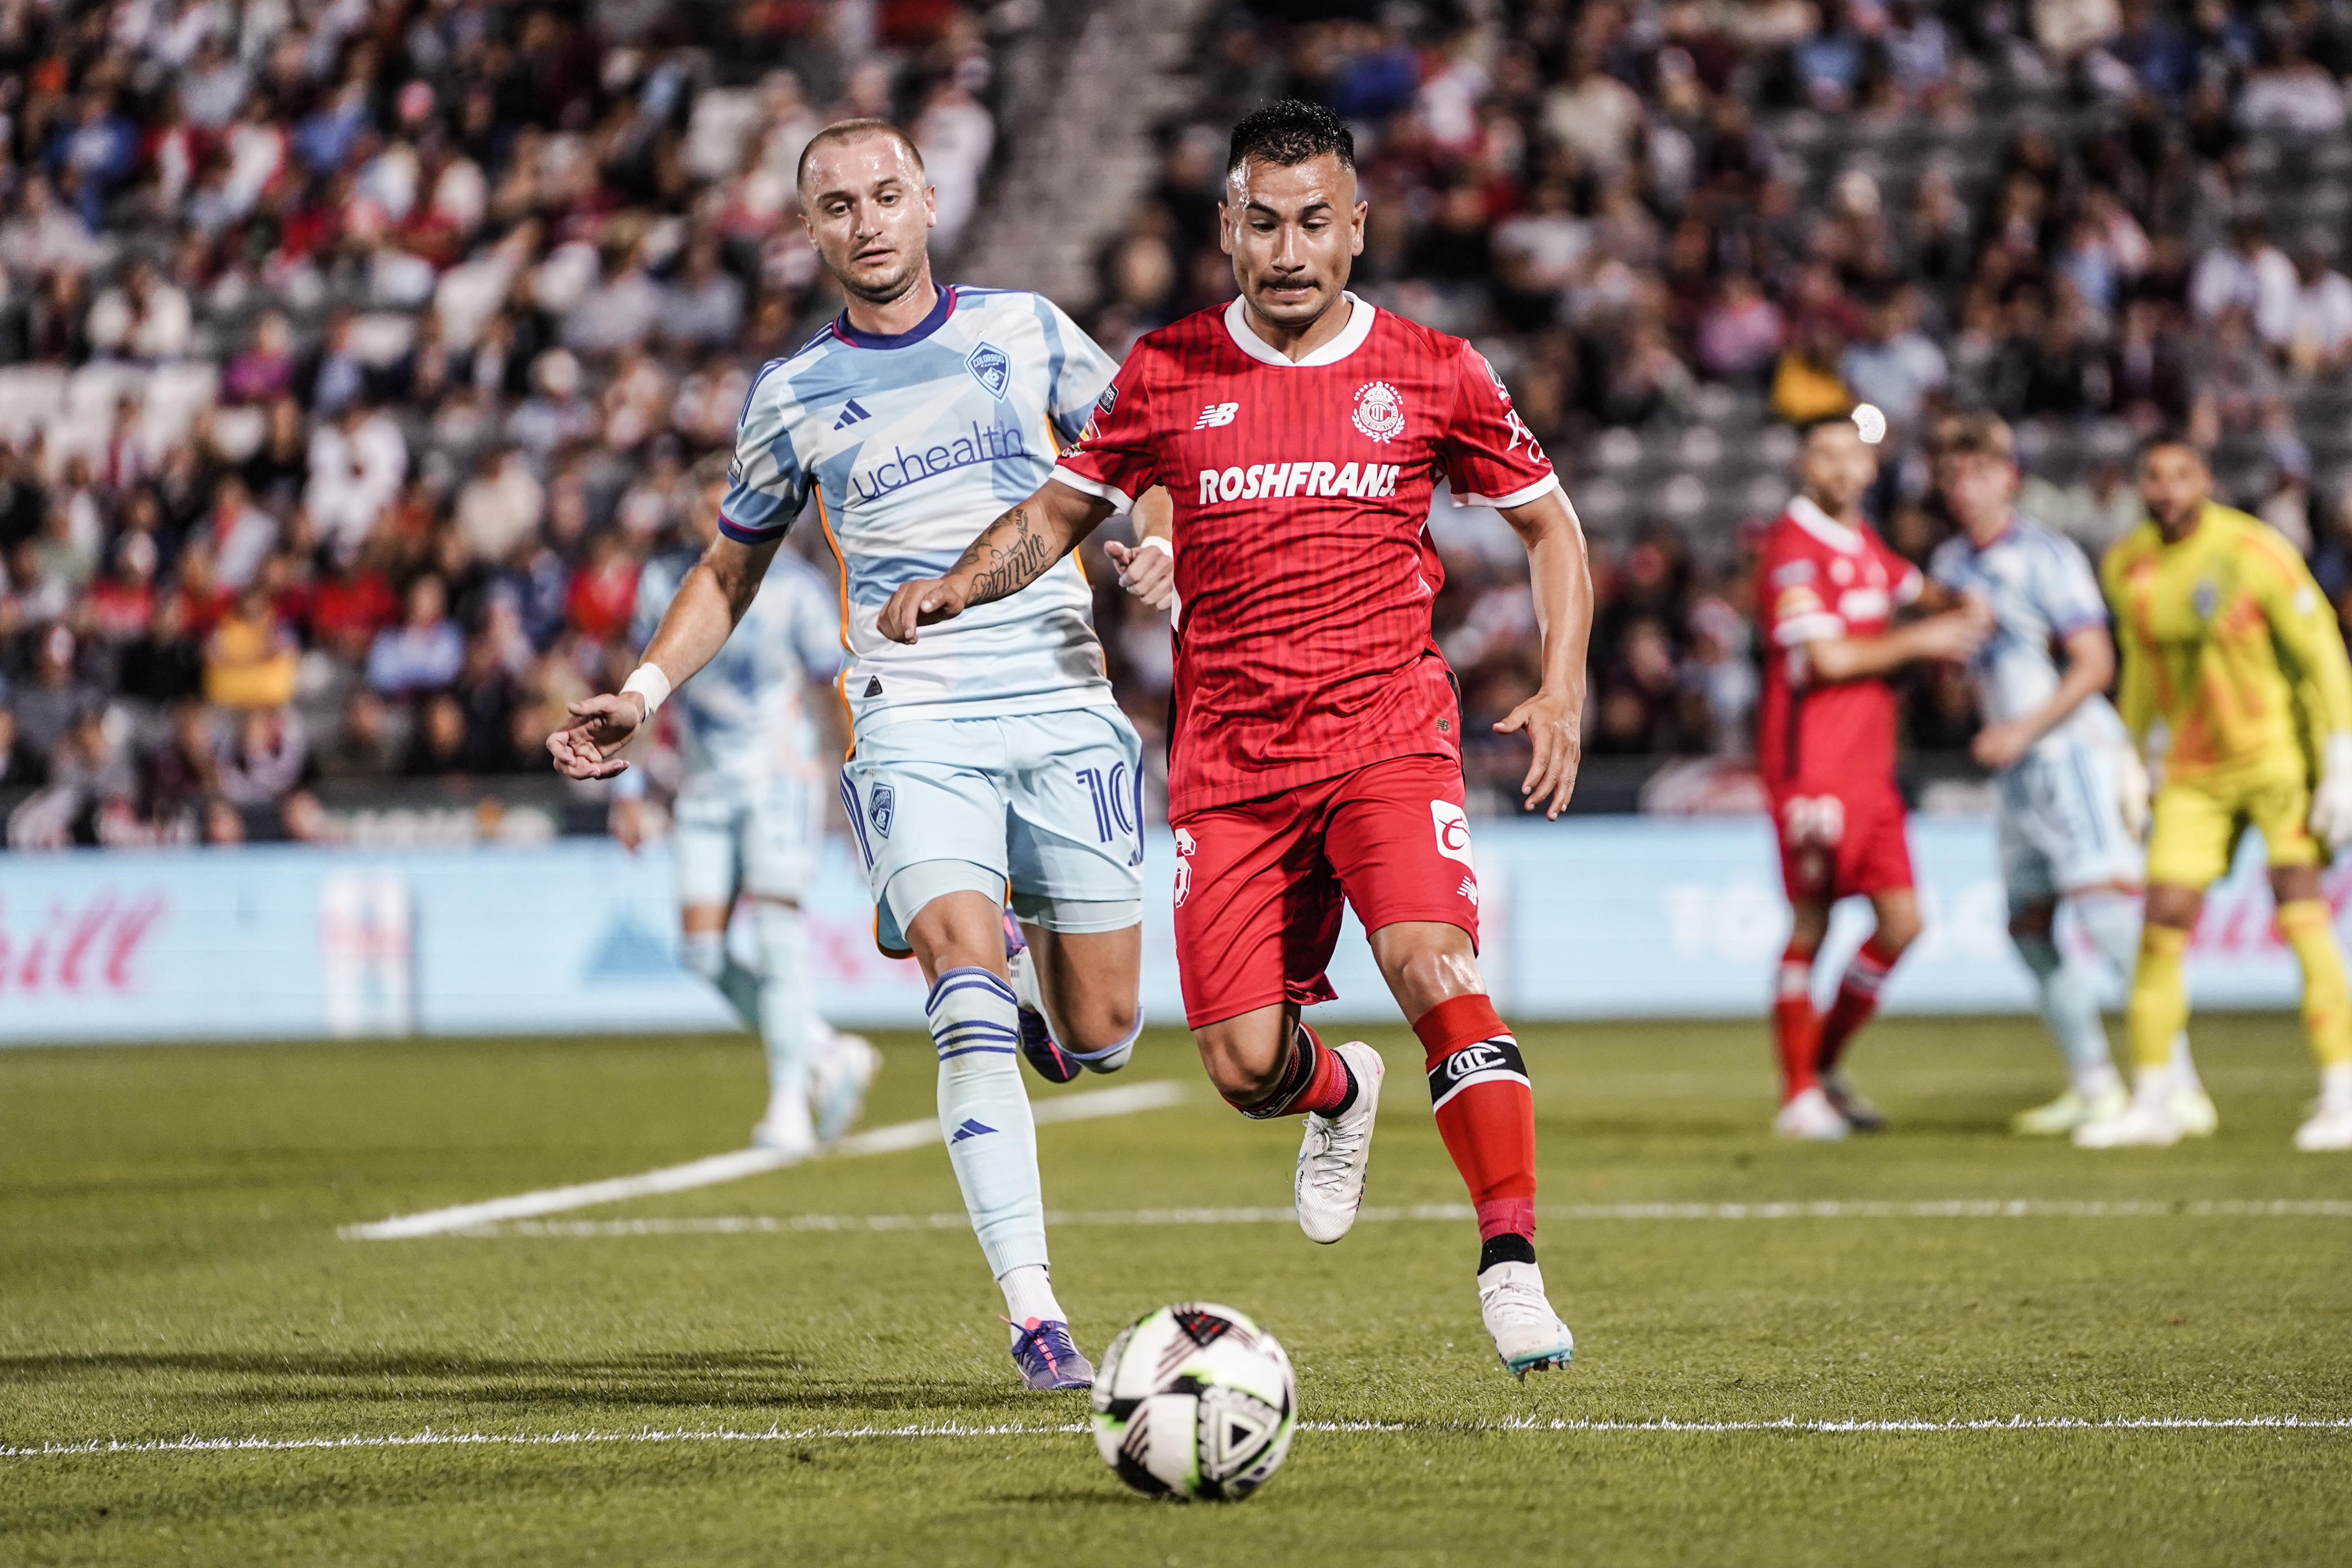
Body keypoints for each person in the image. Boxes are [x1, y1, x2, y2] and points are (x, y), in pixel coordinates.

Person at [879, 100, 1594, 1380]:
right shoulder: (1167, 372)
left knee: (1434, 965)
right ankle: (1337, 1092)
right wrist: (957, 584)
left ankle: (1511, 1266)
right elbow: (1057, 511)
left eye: (1315, 220)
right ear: (1228, 228)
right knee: (1243, 1064)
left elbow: (1551, 528)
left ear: (1355, 227)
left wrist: (1561, 686)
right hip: (1233, 773)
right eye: (1262, 220)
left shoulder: (1434, 369)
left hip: (1389, 736)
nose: (1288, 246)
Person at [549, 119, 1145, 1392]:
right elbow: (731, 564)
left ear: (929, 200)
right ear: (808, 230)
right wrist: (646, 689)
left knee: (1104, 1032)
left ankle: (1057, 1011)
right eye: (838, 205)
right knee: (961, 993)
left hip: (1058, 699)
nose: (867, 220)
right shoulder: (792, 394)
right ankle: (1034, 1309)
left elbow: (1138, 457)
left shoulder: (1030, 329)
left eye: (886, 194)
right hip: (908, 713)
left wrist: (1150, 542)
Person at [1926, 414, 2211, 1137]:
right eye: (1952, 473)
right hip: (2016, 771)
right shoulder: (1950, 564)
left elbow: (2094, 661)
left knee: (2109, 915)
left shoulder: (2044, 555)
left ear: (2008, 476)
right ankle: (2093, 1083)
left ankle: (2175, 1081)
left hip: (2071, 754)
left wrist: (2022, 726)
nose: (1965, 485)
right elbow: (1968, 672)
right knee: (2027, 926)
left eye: (1979, 471)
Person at [2077, 439, 2352, 1151]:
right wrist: (2131, 757)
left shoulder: (2253, 552)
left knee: (2301, 911)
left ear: (2205, 479)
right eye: (2152, 476)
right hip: (2194, 775)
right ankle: (2154, 1099)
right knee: (2161, 922)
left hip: (2273, 760)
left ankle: (2341, 1090)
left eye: (2180, 474)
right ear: (2137, 484)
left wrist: (2340, 753)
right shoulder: (2126, 563)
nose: (2165, 489)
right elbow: (2141, 664)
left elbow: (2319, 648)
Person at [611, 453, 880, 1154]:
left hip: (779, 779)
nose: (713, 519)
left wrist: (854, 784)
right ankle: (824, 1050)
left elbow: (831, 691)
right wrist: (630, 787)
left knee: (777, 936)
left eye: (723, 505)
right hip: (703, 784)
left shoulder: (796, 590)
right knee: (702, 951)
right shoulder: (665, 585)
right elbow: (643, 689)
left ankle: (789, 1100)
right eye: (703, 507)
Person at [1756, 410, 1990, 1141]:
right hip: (1812, 767)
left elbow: (1918, 588)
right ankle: (1799, 1097)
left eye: (1848, 454)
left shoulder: (1864, 545)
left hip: (1871, 770)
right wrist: (1926, 637)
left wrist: (1968, 601)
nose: (1836, 466)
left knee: (1903, 922)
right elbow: (1826, 658)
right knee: (1813, 921)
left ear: (1871, 467)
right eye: (1821, 453)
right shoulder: (1795, 550)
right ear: (1806, 467)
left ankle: (1821, 1067)